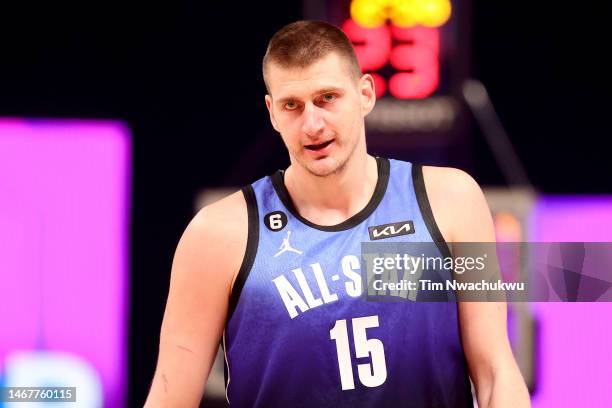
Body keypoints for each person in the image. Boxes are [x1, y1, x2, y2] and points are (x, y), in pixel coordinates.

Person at [144, 20, 530, 407]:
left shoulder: (453, 200)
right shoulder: (218, 234)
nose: (312, 124)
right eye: (292, 105)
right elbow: (170, 397)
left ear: (365, 94)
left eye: (327, 98)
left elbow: (496, 371)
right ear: (272, 112)